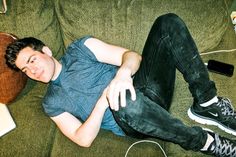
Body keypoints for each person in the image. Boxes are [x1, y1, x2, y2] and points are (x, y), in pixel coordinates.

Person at [5, 13, 236, 156]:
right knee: (124, 102)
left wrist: (122, 75)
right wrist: (104, 101)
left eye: (31, 60)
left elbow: (132, 56)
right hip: (132, 117)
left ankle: (207, 103)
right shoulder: (51, 102)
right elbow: (82, 139)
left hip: (148, 87)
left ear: (45, 50)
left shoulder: (80, 48)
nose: (32, 71)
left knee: (167, 22)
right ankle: (203, 142)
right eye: (25, 70)